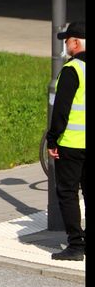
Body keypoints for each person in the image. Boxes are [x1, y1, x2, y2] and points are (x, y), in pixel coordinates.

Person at [46, 21, 86, 261]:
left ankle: (76, 245)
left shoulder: (73, 70)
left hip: (71, 144)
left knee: (68, 192)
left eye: (67, 40)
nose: (65, 45)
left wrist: (52, 140)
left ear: (76, 42)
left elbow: (61, 110)